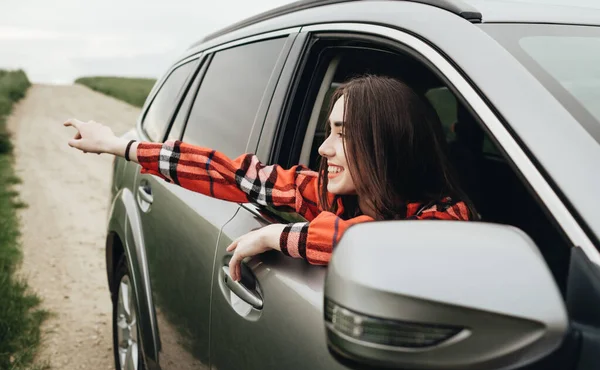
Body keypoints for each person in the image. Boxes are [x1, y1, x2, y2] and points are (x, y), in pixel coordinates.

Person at [65, 75, 476, 281]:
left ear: (387, 145)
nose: (323, 149)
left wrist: (275, 236)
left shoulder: (447, 219)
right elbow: (232, 174)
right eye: (327, 131)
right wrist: (123, 146)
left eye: (343, 135)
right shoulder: (329, 195)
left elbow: (377, 245)